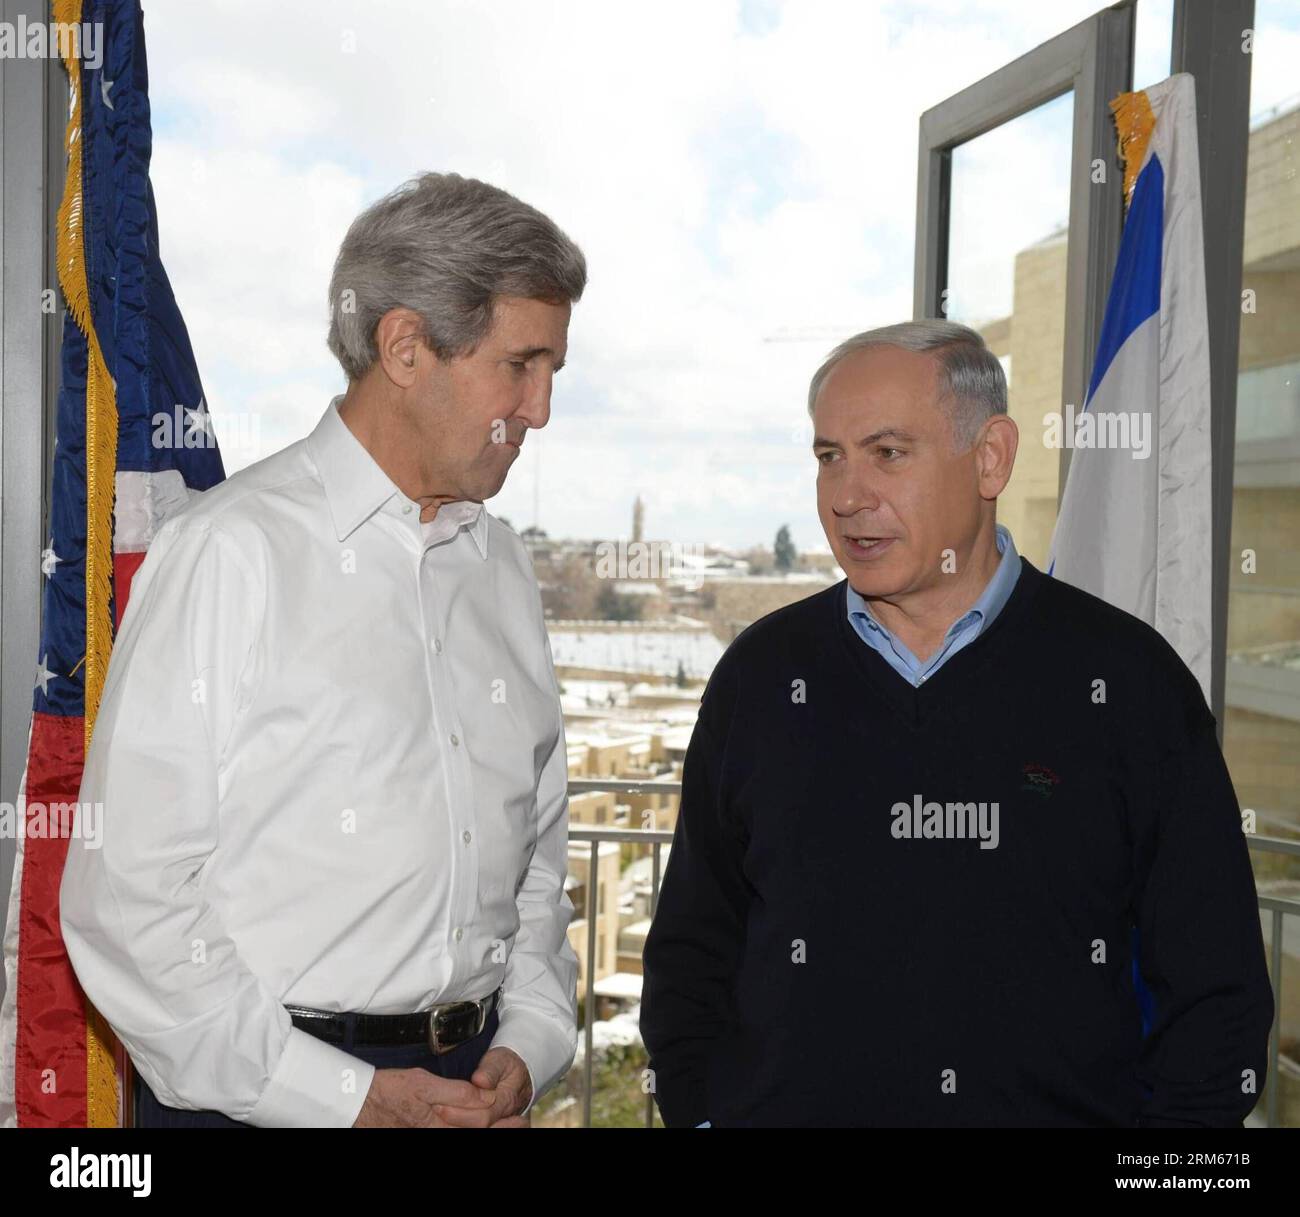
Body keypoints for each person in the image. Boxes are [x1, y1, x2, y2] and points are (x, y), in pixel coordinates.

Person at [640, 319, 1274, 1127]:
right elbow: (692, 952)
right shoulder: (761, 678)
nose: (846, 494)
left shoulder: (1129, 684)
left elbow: (1216, 1001)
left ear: (991, 457)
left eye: (888, 453)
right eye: (829, 455)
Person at [60, 172, 585, 1127]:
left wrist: (533, 1032)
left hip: (470, 1087)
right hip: (257, 1098)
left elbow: (536, 859)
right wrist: (342, 1098)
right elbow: (125, 900)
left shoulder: (503, 565)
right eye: (522, 364)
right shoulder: (231, 552)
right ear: (406, 347)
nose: (540, 408)